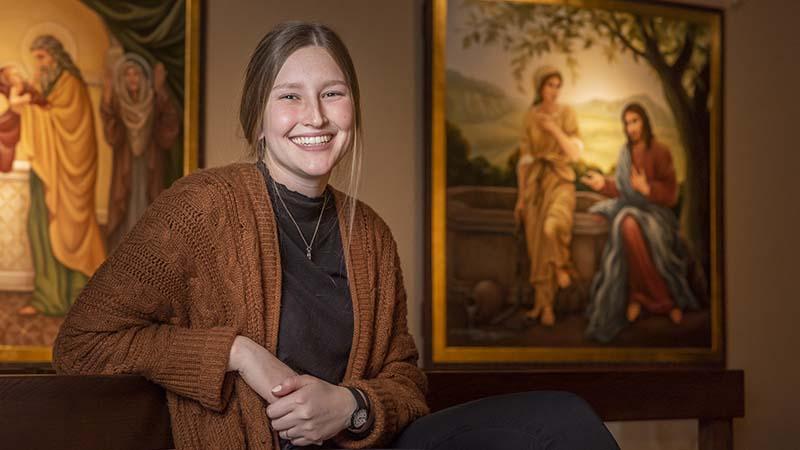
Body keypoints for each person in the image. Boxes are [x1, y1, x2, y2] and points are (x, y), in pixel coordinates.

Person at [53, 22, 619, 450]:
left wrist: (350, 406)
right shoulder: (199, 208)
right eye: (290, 95)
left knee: (563, 420)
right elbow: (81, 344)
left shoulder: (369, 232)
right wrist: (235, 352)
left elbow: (404, 381)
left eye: (332, 93)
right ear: (258, 115)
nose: (316, 116)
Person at [581, 103, 699, 343]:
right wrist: (603, 185)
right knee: (627, 222)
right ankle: (640, 296)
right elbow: (623, 191)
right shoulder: (625, 154)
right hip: (632, 212)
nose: (631, 127)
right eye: (627, 123)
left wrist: (648, 188)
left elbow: (671, 194)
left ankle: (662, 301)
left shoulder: (660, 151)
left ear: (644, 122)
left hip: (657, 214)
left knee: (629, 222)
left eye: (635, 121)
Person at [14, 35, 106, 316]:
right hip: (47, 172)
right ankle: (47, 297)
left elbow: (70, 130)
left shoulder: (70, 85)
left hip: (67, 176)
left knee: (68, 232)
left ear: (55, 56)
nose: (38, 64)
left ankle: (75, 297)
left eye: (41, 57)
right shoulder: (52, 85)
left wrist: (29, 109)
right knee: (39, 228)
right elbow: (47, 113)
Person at [514, 66, 583, 326]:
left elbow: (575, 155)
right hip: (535, 185)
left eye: (557, 85)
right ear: (540, 87)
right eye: (549, 85)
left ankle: (562, 265)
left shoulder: (567, 114)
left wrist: (554, 129)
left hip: (562, 181)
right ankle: (544, 307)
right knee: (537, 248)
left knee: (552, 227)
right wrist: (521, 198)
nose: (554, 91)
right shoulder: (530, 117)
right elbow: (524, 160)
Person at [100, 54, 180, 253]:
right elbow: (112, 134)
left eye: (136, 74)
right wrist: (108, 96)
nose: (132, 79)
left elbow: (169, 125)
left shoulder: (154, 100)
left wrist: (161, 91)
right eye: (127, 75)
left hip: (149, 165)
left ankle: (148, 254)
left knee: (148, 202)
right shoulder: (118, 104)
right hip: (125, 167)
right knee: (124, 209)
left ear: (144, 77)